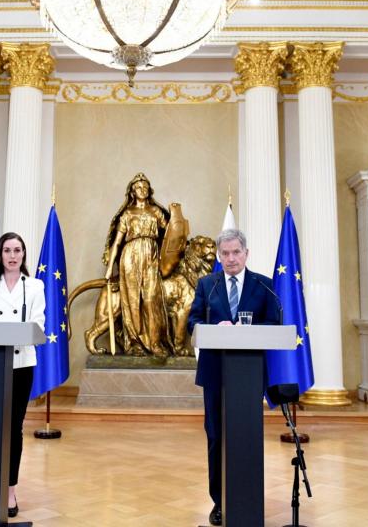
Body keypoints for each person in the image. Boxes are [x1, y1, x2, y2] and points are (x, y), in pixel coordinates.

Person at [186, 228, 279, 527]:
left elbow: (274, 321)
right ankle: (218, 502)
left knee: (245, 435)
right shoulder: (207, 285)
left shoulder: (263, 286)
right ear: (218, 256)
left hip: (248, 375)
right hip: (215, 373)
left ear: (246, 253)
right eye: (224, 254)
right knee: (216, 437)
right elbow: (193, 322)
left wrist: (248, 330)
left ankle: (247, 500)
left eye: (235, 252)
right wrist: (217, 328)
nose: (230, 259)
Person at [0, 232, 46, 518]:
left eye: (18, 250)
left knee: (13, 428)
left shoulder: (36, 286)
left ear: (24, 255)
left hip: (22, 364)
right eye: (7, 250)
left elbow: (38, 323)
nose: (13, 255)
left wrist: (18, 334)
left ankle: (10, 490)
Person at [103, 172, 171, 356]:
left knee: (151, 299)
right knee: (132, 300)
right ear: (132, 191)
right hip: (130, 255)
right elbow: (117, 242)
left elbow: (170, 233)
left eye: (145, 187)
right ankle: (135, 343)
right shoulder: (127, 214)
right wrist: (110, 267)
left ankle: (155, 342)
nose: (142, 190)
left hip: (151, 254)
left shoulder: (155, 211)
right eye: (138, 187)